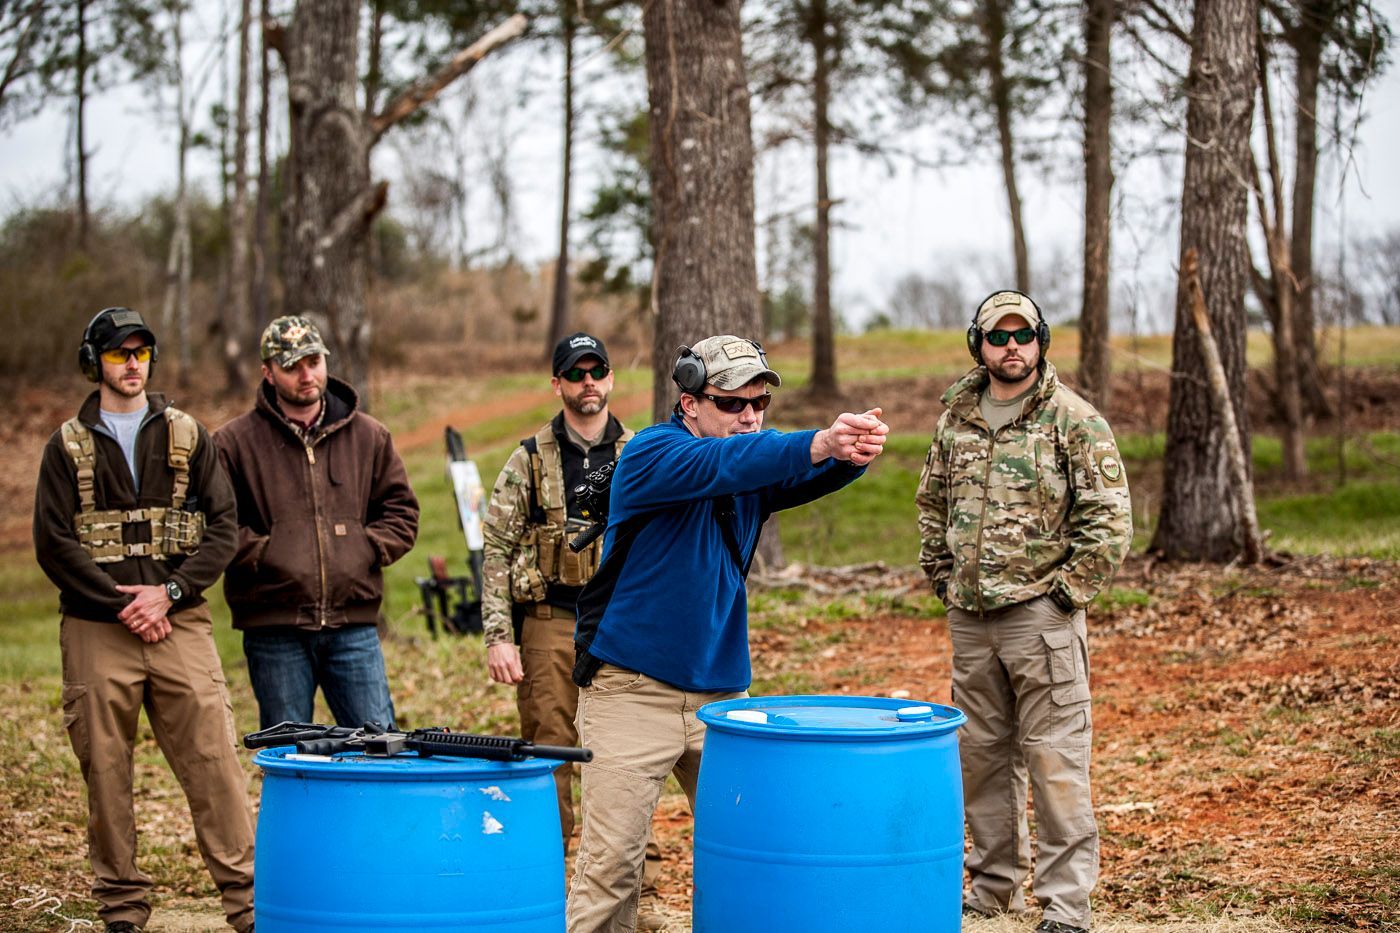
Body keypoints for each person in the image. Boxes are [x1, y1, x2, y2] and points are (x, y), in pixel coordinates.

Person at [565, 335, 888, 933]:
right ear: (689, 403)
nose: (751, 417)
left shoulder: (748, 460)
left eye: (759, 404)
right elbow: (729, 464)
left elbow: (804, 471)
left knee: (752, 853)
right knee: (611, 869)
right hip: (630, 693)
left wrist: (852, 451)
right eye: (732, 404)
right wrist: (818, 440)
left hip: (720, 699)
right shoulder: (653, 455)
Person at [915, 290, 1132, 933]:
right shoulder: (956, 417)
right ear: (978, 345)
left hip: (1042, 620)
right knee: (981, 756)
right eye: (998, 337)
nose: (1012, 347)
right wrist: (942, 576)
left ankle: (1066, 907)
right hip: (970, 619)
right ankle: (993, 890)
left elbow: (1109, 520)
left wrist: (1065, 595)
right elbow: (932, 504)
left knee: (1054, 760)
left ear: (1040, 340)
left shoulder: (1072, 419)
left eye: (1023, 335)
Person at [33, 307, 256, 933]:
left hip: (178, 620)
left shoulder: (188, 434)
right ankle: (123, 911)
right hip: (97, 626)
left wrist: (172, 592)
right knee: (105, 770)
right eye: (117, 353)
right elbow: (53, 542)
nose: (131, 364)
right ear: (94, 362)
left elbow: (224, 526)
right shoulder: (66, 446)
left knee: (215, 761)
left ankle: (247, 907)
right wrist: (124, 603)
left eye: (141, 352)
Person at [215, 315, 419, 730]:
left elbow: (402, 513)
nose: (306, 375)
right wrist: (270, 555)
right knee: (288, 756)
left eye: (314, 361)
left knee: (379, 747)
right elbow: (216, 527)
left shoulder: (370, 436)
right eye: (292, 366)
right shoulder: (233, 444)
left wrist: (362, 549)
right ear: (268, 372)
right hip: (275, 629)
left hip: (353, 627)